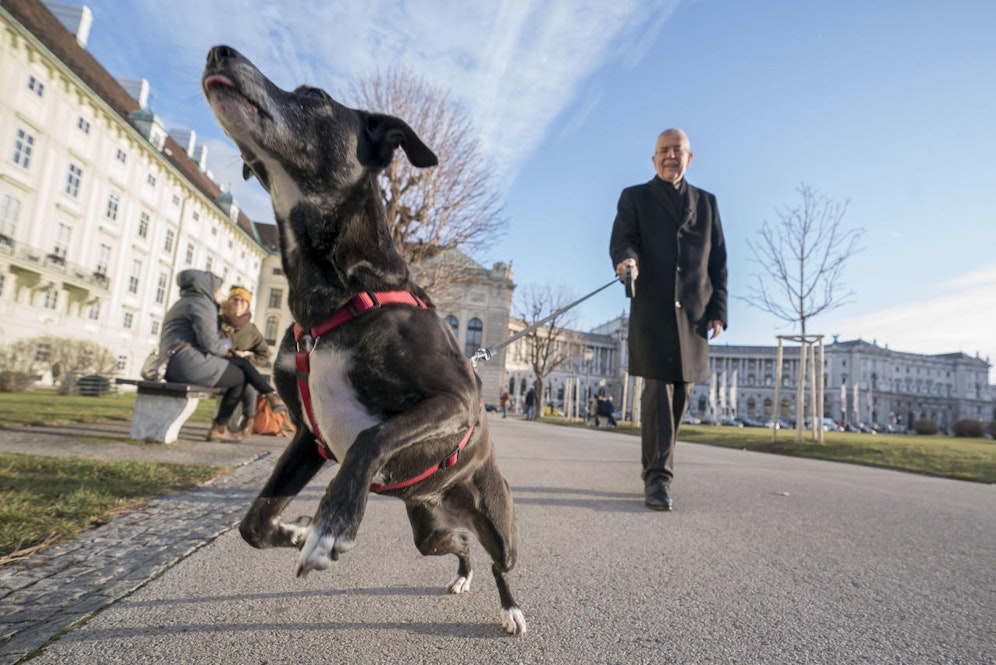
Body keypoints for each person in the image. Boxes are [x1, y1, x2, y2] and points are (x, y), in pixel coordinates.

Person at [609, 128, 728, 511]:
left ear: (689, 158)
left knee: (680, 397)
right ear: (654, 158)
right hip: (653, 310)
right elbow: (623, 238)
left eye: (677, 150)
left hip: (694, 314)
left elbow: (719, 262)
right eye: (663, 150)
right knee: (657, 394)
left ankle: (657, 466)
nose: (670, 156)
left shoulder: (707, 203)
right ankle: (658, 479)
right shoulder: (635, 197)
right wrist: (627, 260)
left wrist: (719, 310)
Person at [159, 269, 286, 442]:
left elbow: (263, 352)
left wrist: (237, 356)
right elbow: (210, 343)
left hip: (180, 361)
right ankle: (266, 397)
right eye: (218, 289)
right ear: (207, 286)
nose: (219, 293)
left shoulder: (187, 301)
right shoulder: (203, 304)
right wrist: (226, 351)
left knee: (242, 370)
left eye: (243, 301)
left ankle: (233, 422)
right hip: (188, 362)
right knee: (241, 373)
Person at [219, 286, 271, 438]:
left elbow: (265, 353)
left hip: (241, 372)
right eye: (235, 299)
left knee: (248, 384)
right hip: (219, 368)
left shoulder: (250, 330)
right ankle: (223, 424)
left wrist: (246, 359)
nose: (239, 302)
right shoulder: (217, 322)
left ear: (248, 305)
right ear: (228, 302)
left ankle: (248, 422)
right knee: (244, 381)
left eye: (243, 300)